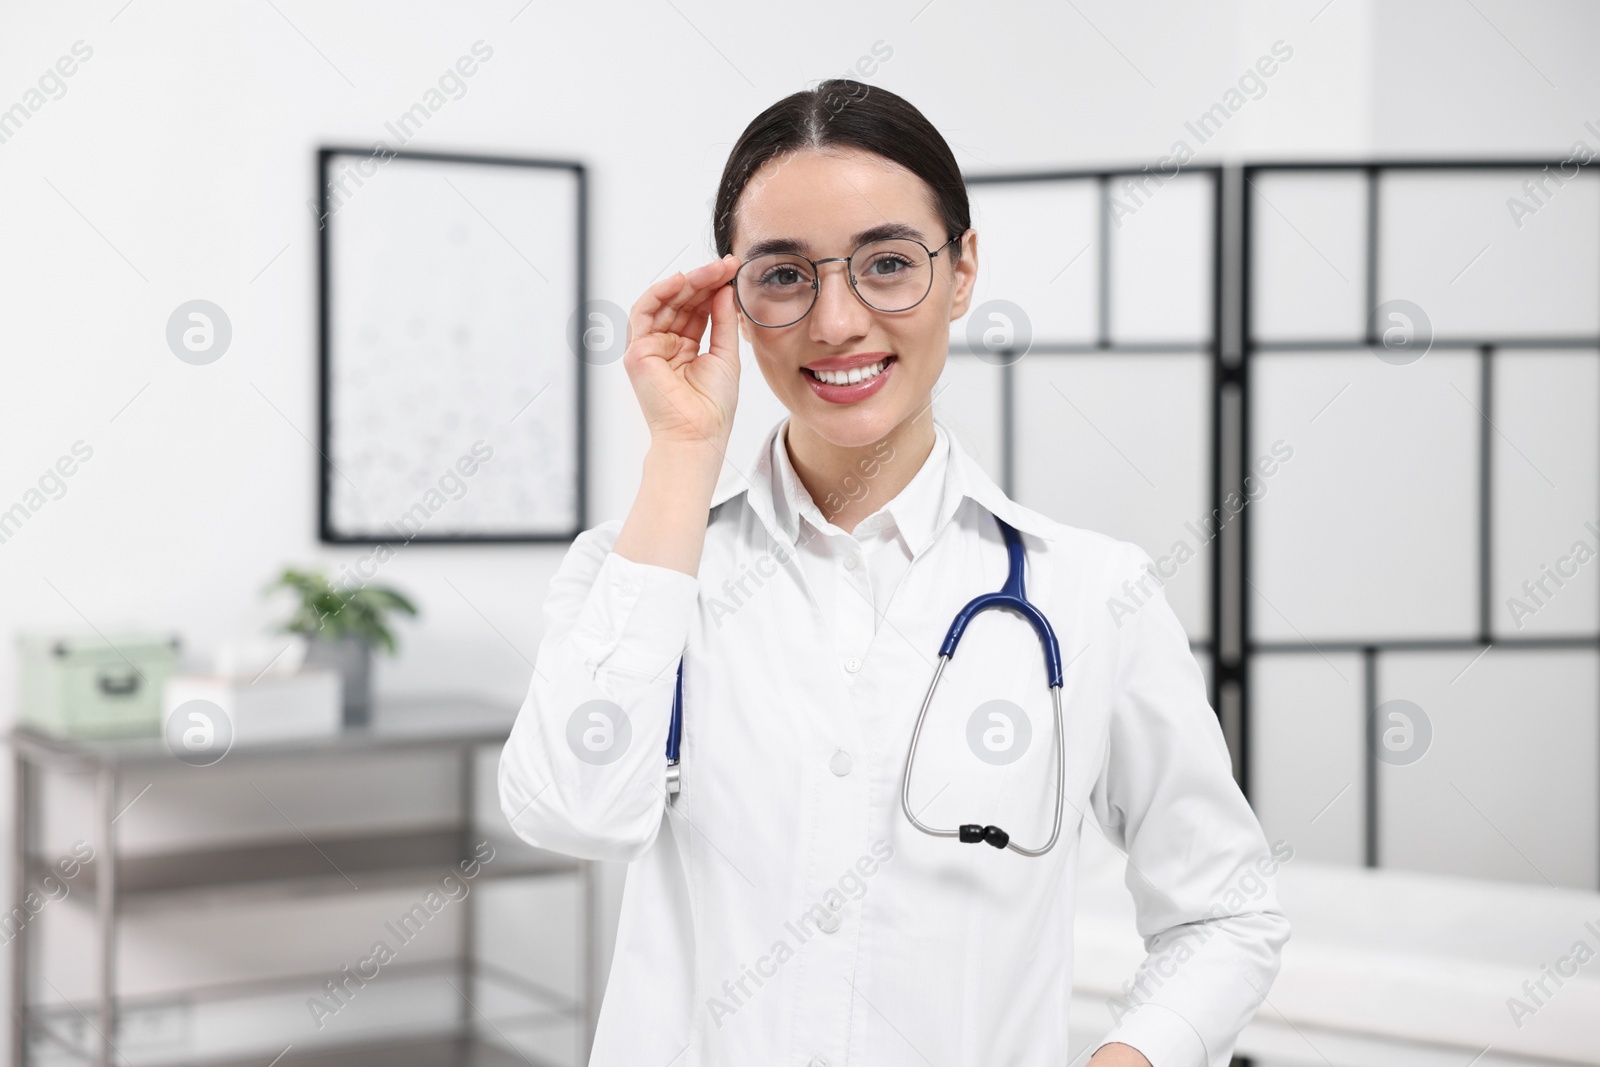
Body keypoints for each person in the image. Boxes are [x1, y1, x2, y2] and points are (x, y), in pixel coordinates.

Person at [499, 78, 1290, 1067]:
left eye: (885, 263)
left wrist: (1131, 1058)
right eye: (784, 275)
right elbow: (570, 810)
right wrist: (683, 451)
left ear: (961, 271)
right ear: (734, 301)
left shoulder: (1095, 594)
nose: (836, 321)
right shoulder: (642, 568)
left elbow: (1225, 911)